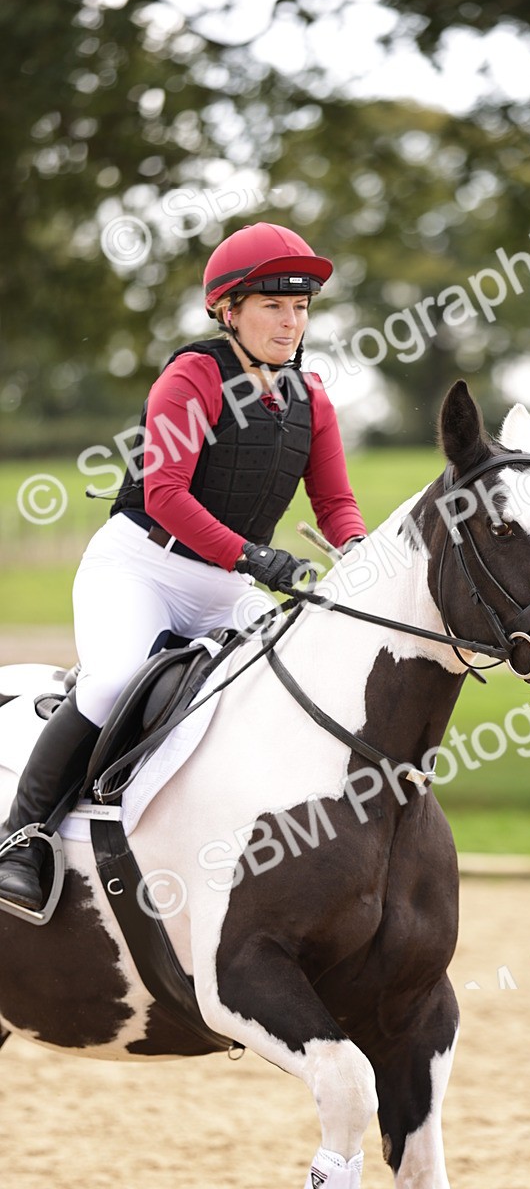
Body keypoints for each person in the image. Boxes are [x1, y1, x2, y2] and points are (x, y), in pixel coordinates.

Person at [0, 222, 367, 911]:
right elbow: (164, 494)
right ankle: (21, 839)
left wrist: (358, 553)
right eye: (273, 307)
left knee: (294, 684)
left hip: (225, 586)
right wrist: (255, 556)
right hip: (142, 567)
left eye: (301, 308)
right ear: (229, 310)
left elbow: (337, 502)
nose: (291, 322)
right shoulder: (192, 376)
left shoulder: (312, 399)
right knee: (112, 685)